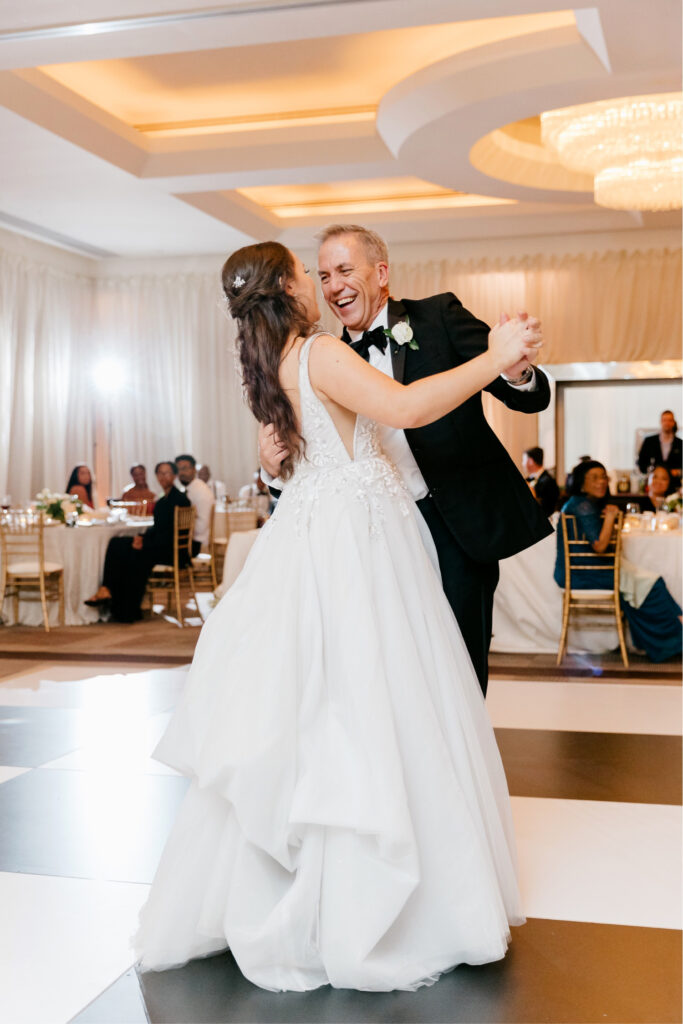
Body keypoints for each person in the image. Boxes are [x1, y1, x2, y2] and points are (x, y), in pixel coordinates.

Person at [134, 240, 541, 990]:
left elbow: (299, 451)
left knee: (329, 707)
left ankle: (309, 871)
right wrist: (495, 356)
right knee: (375, 704)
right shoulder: (318, 352)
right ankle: (376, 893)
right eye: (309, 272)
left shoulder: (268, 366)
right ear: (292, 289)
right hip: (361, 543)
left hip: (328, 532)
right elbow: (407, 406)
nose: (324, 283)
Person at [260, 224, 552, 696]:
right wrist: (269, 471)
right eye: (324, 275)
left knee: (459, 665)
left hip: (455, 527)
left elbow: (528, 399)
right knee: (389, 669)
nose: (333, 286)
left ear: (380, 272)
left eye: (344, 270)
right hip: (373, 536)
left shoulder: (438, 316)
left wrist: (516, 371)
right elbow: (309, 460)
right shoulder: (324, 357)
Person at [554, 460, 681, 663]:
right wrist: (611, 517)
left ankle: (670, 640)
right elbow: (600, 545)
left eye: (604, 477)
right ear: (581, 483)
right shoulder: (583, 506)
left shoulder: (579, 503)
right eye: (594, 478)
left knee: (645, 585)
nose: (602, 482)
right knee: (652, 585)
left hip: (587, 571)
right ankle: (671, 642)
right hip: (583, 574)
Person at [85, 462, 191, 622]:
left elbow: (169, 533)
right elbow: (158, 529)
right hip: (161, 545)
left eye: (167, 473)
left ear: (174, 476)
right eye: (160, 473)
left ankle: (125, 609)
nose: (163, 477)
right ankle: (107, 590)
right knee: (116, 543)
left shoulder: (177, 500)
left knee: (131, 553)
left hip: (170, 550)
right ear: (156, 476)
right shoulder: (165, 499)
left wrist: (145, 543)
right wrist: (141, 538)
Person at [176, 454, 213, 550]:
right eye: (178, 469)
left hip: (197, 543)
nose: (181, 473)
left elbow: (202, 526)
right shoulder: (190, 488)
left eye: (184, 468)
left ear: (194, 470)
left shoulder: (200, 491)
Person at [637, 410, 682, 482]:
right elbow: (641, 462)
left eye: (670, 420)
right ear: (660, 422)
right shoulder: (649, 441)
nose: (667, 423)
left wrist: (678, 472)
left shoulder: (680, 444)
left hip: (674, 484)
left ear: (673, 422)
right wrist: (650, 472)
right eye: (664, 420)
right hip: (653, 483)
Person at [522, 446, 559, 517]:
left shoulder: (549, 481)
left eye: (524, 460)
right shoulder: (527, 480)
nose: (522, 464)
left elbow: (548, 508)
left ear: (530, 461)